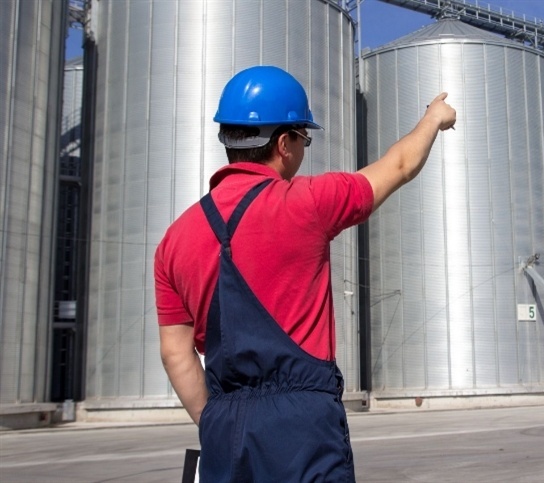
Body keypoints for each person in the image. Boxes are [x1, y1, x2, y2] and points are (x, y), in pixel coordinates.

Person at [154, 65, 456, 482]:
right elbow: (401, 165)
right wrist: (433, 119)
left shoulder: (173, 240)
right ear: (284, 143)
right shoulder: (309, 201)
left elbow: (175, 353)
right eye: (304, 139)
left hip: (223, 427)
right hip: (299, 427)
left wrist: (217, 421)